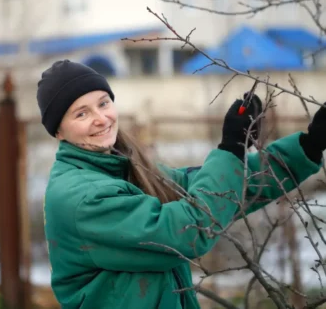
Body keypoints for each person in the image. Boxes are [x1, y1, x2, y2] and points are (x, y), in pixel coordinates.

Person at [37, 60, 326, 309]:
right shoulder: (83, 198)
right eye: (81, 113)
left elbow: (218, 192)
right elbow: (189, 229)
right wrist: (232, 147)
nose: (101, 119)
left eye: (103, 103)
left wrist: (308, 147)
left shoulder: (124, 169)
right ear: (58, 132)